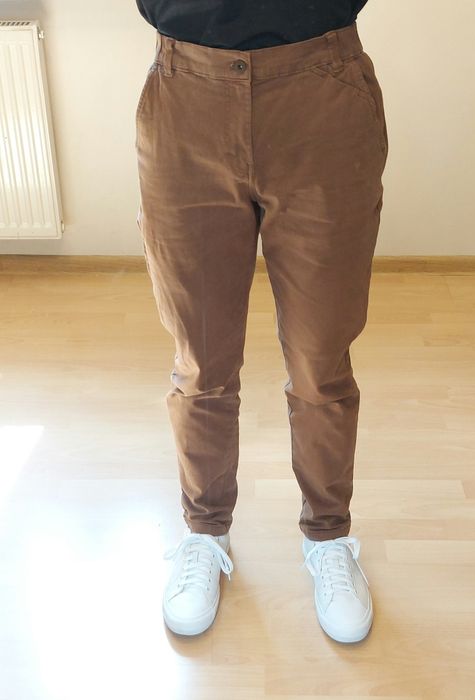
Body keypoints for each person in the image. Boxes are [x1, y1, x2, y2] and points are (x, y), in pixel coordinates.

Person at [134, 0, 387, 644]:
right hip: (186, 92)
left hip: (321, 89)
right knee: (200, 358)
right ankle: (205, 531)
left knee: (320, 358)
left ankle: (328, 535)